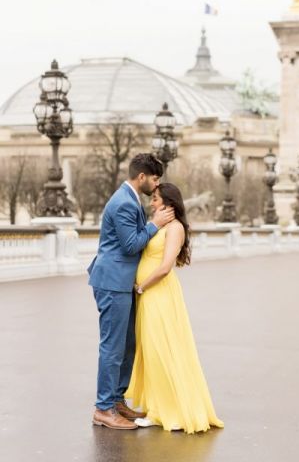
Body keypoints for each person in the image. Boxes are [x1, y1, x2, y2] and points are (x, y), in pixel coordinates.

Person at [126, 183, 224, 433]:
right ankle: (157, 407)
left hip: (157, 293)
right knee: (152, 351)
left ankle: (167, 412)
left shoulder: (176, 228)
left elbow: (165, 266)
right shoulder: (162, 226)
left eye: (156, 199)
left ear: (169, 203)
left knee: (161, 350)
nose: (152, 203)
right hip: (150, 294)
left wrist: (140, 287)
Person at [88, 154, 174, 430]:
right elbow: (130, 245)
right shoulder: (124, 202)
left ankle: (116, 400)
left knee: (127, 345)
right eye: (155, 178)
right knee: (113, 347)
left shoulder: (131, 199)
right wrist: (155, 225)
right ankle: (103, 408)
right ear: (142, 177)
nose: (157, 184)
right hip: (113, 282)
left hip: (121, 282)